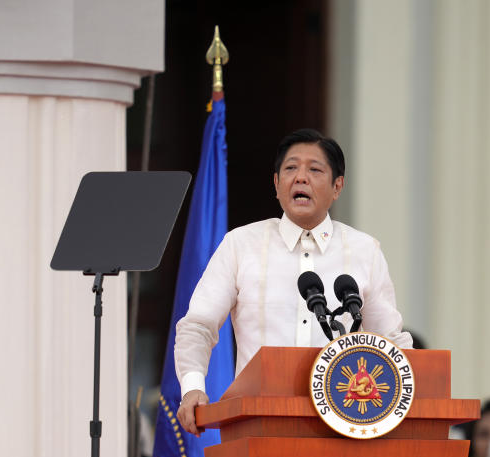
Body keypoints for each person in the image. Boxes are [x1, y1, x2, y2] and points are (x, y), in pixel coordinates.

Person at [174, 129, 412, 433]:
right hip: (256, 425)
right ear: (276, 184)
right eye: (290, 169)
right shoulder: (241, 244)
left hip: (343, 427)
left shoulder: (364, 251)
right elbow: (198, 324)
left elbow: (390, 343)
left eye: (314, 169)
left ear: (337, 186)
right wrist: (193, 386)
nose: (301, 177)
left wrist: (421, 389)